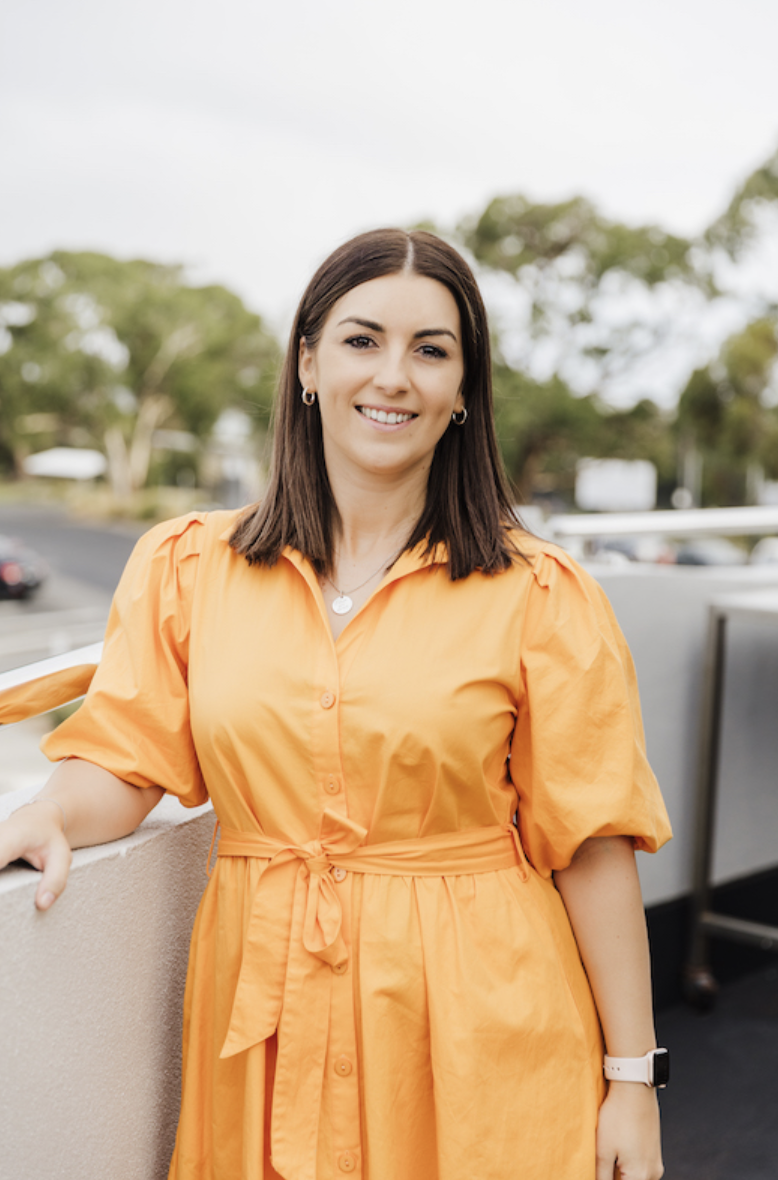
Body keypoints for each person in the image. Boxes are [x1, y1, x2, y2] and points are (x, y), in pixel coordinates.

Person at [0, 228, 671, 1180]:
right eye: (362, 340)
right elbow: (128, 756)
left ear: (464, 391)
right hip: (262, 1012)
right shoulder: (189, 567)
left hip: (483, 1024)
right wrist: (46, 812)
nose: (393, 376)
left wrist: (633, 1081)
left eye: (431, 350)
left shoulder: (543, 594)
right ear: (308, 361)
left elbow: (593, 845)